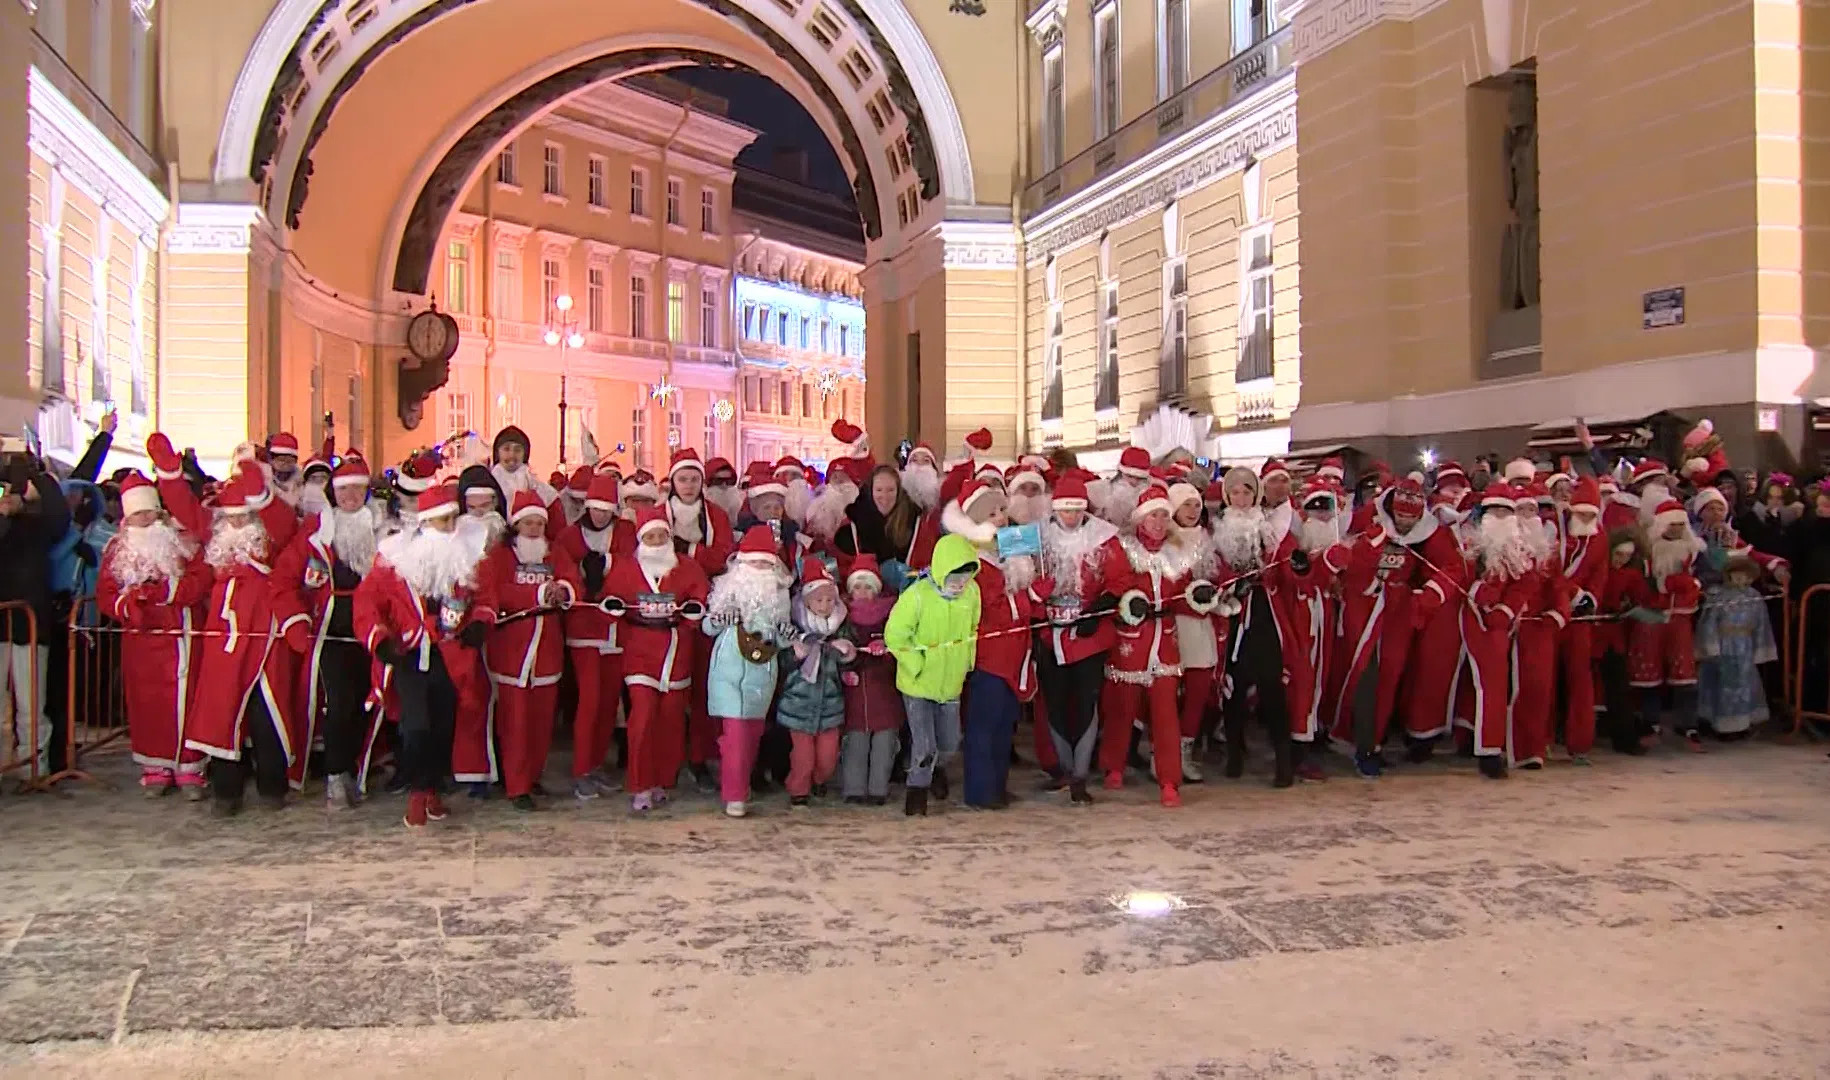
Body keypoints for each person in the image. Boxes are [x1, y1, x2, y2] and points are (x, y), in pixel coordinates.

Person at [355, 483, 498, 828]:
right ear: (425, 524)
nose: (450, 528)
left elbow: (487, 599)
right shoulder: (395, 560)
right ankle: (417, 796)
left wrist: (481, 622)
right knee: (416, 725)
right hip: (410, 653)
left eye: (452, 520)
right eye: (442, 522)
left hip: (452, 654)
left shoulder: (469, 557)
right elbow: (367, 603)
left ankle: (432, 789)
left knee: (444, 725)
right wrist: (380, 639)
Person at [183, 477, 312, 814]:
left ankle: (272, 787)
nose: (237, 522)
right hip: (225, 642)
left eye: (243, 515)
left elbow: (283, 522)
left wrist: (261, 493)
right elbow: (187, 511)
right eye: (231, 516)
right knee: (223, 714)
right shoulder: (217, 541)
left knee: (267, 713)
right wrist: (170, 475)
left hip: (266, 639)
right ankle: (226, 793)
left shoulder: (272, 538)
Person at [1331, 477, 1463, 773]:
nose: (1404, 524)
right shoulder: (1370, 518)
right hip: (1362, 602)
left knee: (1390, 675)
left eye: (1411, 518)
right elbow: (1345, 553)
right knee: (1363, 671)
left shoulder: (1431, 532)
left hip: (1399, 608)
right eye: (1401, 516)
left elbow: (1451, 568)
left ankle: (1373, 743)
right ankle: (1359, 743)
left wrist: (1428, 596)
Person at [1100, 483, 1219, 807]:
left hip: (1164, 642)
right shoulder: (1120, 549)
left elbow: (1181, 595)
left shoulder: (1176, 553)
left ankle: (1169, 779)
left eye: (1164, 516)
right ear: (1141, 518)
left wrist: (1200, 598)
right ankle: (1114, 765)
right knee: (1122, 708)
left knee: (1166, 713)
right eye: (1153, 515)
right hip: (1131, 641)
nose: (1158, 522)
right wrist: (1128, 603)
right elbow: (1113, 588)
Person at [275, 457, 384, 806]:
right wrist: (295, 621)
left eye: (357, 487)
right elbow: (283, 580)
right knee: (338, 703)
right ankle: (337, 774)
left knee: (369, 701)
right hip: (331, 627)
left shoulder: (383, 527)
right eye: (343, 488)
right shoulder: (316, 530)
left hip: (374, 626)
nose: (351, 495)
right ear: (333, 493)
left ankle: (361, 765)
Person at [95, 474, 211, 797]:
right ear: (127, 517)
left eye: (149, 512)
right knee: (147, 703)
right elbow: (105, 593)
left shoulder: (180, 542)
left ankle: (190, 766)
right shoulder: (116, 550)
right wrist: (126, 606)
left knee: (186, 701)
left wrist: (171, 591)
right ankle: (156, 766)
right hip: (142, 641)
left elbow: (202, 577)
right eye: (137, 514)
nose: (145, 519)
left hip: (181, 636)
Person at [942, 478, 1048, 810]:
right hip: (989, 655)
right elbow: (973, 603)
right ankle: (980, 790)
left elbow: (1024, 599)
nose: (1001, 517)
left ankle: (998, 785)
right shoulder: (968, 558)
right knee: (984, 726)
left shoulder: (1009, 551)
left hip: (1016, 652)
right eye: (992, 512)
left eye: (1002, 510)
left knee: (1005, 724)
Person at [601, 506, 709, 812]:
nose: (657, 541)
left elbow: (700, 596)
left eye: (662, 535)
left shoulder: (686, 567)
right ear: (641, 539)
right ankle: (640, 783)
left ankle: (663, 779)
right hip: (641, 652)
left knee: (672, 719)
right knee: (643, 716)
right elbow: (611, 600)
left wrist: (693, 612)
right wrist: (613, 607)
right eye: (651, 536)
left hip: (676, 652)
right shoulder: (626, 568)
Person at [480, 491, 580, 810]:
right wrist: (537, 593)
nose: (535, 528)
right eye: (528, 523)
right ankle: (516, 785)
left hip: (547, 648)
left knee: (541, 720)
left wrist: (563, 591)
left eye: (539, 523)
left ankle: (533, 776)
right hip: (513, 649)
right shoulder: (500, 556)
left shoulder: (555, 552)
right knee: (515, 722)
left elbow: (572, 581)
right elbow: (496, 591)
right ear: (516, 524)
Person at [1209, 469, 1301, 789]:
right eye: (1235, 492)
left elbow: (1288, 567)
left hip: (1264, 615)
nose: (1242, 497)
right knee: (1233, 685)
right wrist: (1229, 586)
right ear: (1227, 496)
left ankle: (1283, 759)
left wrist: (1296, 567)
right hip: (1233, 615)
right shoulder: (1217, 531)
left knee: (1271, 686)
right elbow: (1212, 571)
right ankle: (1234, 752)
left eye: (1247, 491)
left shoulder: (1271, 529)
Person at [884, 533, 981, 816]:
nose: (960, 584)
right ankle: (917, 793)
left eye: (965, 577)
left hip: (951, 684)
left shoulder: (972, 594)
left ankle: (935, 769)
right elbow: (896, 635)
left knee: (950, 742)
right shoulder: (917, 596)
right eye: (954, 578)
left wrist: (967, 662)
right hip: (917, 684)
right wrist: (918, 663)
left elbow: (972, 629)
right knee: (924, 743)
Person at [1036, 472, 1117, 804]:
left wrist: (1100, 606)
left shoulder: (1105, 539)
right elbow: (1022, 574)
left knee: (1086, 704)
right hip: (1047, 635)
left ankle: (1081, 774)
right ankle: (1064, 767)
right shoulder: (1038, 538)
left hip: (1089, 636)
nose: (1070, 516)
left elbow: (1120, 579)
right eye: (1064, 510)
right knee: (1054, 703)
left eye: (1076, 510)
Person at [703, 525, 793, 818]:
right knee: (736, 735)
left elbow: (781, 638)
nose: (759, 568)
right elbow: (707, 627)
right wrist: (719, 620)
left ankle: (738, 781)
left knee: (751, 735)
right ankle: (735, 794)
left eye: (765, 563)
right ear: (741, 563)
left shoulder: (779, 597)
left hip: (760, 673)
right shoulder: (726, 592)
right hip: (728, 672)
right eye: (754, 562)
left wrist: (784, 636)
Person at [666, 448, 735, 791]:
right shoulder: (660, 513)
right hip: (667, 609)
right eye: (683, 479)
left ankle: (698, 756)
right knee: (671, 686)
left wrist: (688, 550)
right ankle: (669, 756)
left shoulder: (716, 516)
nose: (689, 485)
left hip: (707, 606)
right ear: (673, 481)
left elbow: (721, 558)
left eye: (694, 479)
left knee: (704, 685)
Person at [0, 449, 71, 778]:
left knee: (31, 701)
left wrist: (35, 482)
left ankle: (34, 766)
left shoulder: (38, 523)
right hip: (5, 621)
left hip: (29, 620)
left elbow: (58, 516)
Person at [556, 472, 625, 798]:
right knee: (590, 698)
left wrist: (608, 565)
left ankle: (596, 764)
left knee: (609, 701)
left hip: (615, 628)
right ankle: (581, 768)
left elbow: (631, 569)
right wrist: (584, 578)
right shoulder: (570, 537)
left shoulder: (626, 533)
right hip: (584, 627)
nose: (600, 514)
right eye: (596, 509)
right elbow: (564, 570)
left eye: (606, 509)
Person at [1460, 485, 1535, 778]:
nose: (1501, 516)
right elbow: (1458, 573)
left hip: (1497, 624)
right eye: (1495, 511)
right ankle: (1459, 737)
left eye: (1507, 511)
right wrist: (1477, 591)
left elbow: (1524, 585)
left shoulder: (1522, 551)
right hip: (1466, 616)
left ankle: (1489, 751)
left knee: (1492, 683)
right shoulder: (1471, 546)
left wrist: (1504, 609)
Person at [1629, 499, 1706, 749]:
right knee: (1648, 671)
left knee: (1684, 672)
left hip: (1681, 617)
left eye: (1680, 524)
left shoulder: (1693, 551)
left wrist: (1690, 587)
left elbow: (1700, 581)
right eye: (1671, 524)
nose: (1675, 529)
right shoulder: (1647, 553)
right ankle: (1650, 722)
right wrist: (1658, 592)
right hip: (1651, 618)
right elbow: (1640, 585)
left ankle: (1688, 724)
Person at [777, 558, 851, 807]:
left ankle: (821, 779)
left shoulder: (840, 626)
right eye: (818, 600)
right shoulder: (795, 627)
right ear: (807, 601)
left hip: (830, 704)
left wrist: (847, 652)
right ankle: (798, 789)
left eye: (830, 600)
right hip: (799, 703)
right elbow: (781, 662)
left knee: (828, 756)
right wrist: (794, 654)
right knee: (803, 756)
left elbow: (851, 658)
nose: (825, 606)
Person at [835, 555, 904, 805]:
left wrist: (887, 649)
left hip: (884, 688)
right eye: (857, 587)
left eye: (867, 587)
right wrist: (845, 664)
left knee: (885, 742)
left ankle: (878, 789)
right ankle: (854, 789)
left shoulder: (891, 614)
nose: (862, 592)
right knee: (855, 741)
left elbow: (902, 647)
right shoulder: (841, 616)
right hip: (854, 690)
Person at [1695, 549, 1779, 738]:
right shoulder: (1717, 596)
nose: (1742, 580)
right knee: (1721, 684)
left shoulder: (1755, 596)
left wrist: (1760, 649)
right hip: (1724, 647)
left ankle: (1741, 723)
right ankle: (1720, 725)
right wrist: (1711, 647)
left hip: (1745, 648)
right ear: (1729, 575)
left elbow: (1762, 624)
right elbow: (1708, 624)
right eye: (1737, 576)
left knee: (1743, 684)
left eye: (1746, 577)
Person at [1554, 477, 1609, 762]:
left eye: (1590, 515)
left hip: (1579, 618)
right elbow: (1548, 568)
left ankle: (1581, 742)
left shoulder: (1599, 538)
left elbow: (1600, 573)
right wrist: (1572, 593)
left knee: (1581, 678)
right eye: (1581, 513)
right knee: (1543, 678)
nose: (1585, 518)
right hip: (1550, 612)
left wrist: (1591, 599)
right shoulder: (1555, 530)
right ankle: (1539, 741)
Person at [834, 465, 920, 589]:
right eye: (879, 490)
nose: (885, 496)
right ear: (870, 491)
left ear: (898, 492)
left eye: (890, 490)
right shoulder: (852, 525)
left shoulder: (913, 521)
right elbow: (843, 569)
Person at [490, 425, 559, 508]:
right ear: (497, 453)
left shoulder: (540, 490)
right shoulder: (487, 484)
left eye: (517, 450)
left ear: (525, 454)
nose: (512, 455)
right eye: (506, 449)